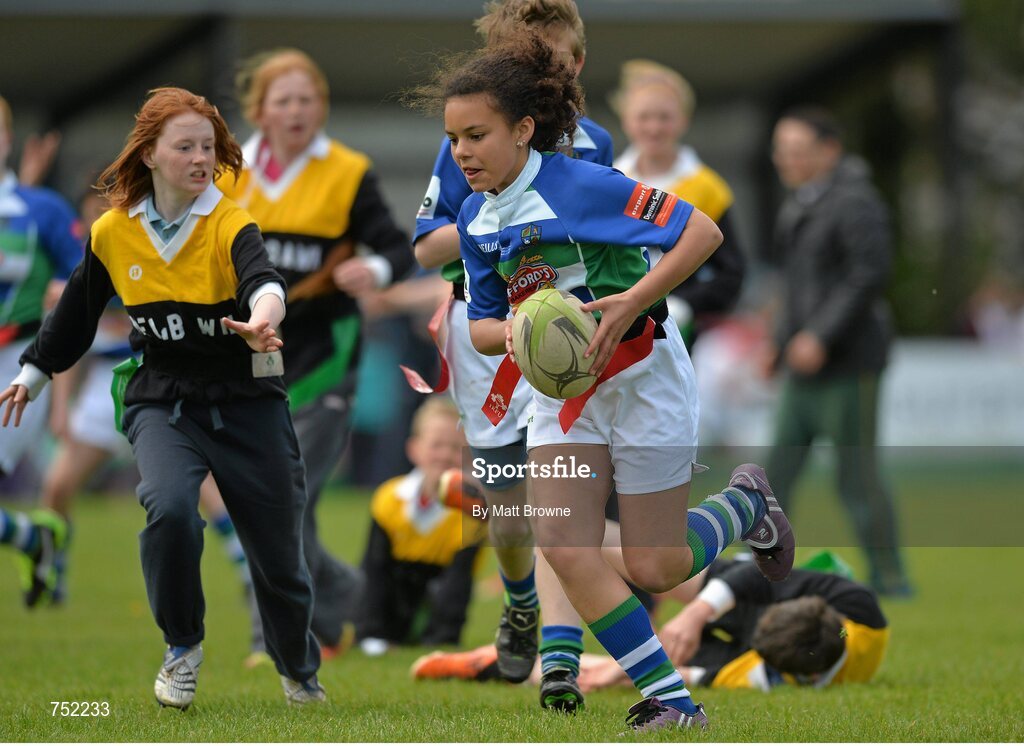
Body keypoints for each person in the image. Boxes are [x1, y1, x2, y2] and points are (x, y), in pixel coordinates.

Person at [411, 34, 796, 733]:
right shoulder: (473, 218)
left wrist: (628, 302)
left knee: (656, 565)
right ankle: (674, 703)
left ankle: (745, 507)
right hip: (560, 397)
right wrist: (529, 326)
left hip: (644, 376)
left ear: (524, 129)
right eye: (452, 138)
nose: (461, 151)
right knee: (561, 543)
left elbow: (701, 233)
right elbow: (481, 328)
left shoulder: (582, 184)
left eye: (476, 135)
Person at [0, 87, 324, 707]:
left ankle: (299, 675)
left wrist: (263, 316)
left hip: (248, 399)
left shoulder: (230, 221)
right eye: (185, 146)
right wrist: (32, 374)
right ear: (149, 154)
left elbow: (266, 282)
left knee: (281, 559)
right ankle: (183, 647)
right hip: (164, 398)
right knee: (171, 509)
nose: (201, 158)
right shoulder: (112, 233)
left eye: (207, 146)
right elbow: (75, 313)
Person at [410, 0, 614, 713]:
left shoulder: (594, 145)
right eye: (520, 58)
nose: (538, 70)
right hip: (492, 337)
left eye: (549, 58)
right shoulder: (470, 139)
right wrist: (485, 225)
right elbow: (425, 242)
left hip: (564, 339)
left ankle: (560, 659)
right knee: (508, 512)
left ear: (575, 65)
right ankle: (520, 601)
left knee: (557, 494)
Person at [216, 49, 414, 655]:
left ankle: (275, 640)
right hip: (246, 359)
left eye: (307, 99)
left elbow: (396, 247)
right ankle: (359, 605)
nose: (297, 110)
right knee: (270, 501)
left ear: (321, 106)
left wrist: (372, 267)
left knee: (280, 495)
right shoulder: (227, 172)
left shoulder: (347, 171)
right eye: (284, 100)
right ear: (260, 110)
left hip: (324, 357)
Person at [36, 188, 267, 668]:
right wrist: (61, 405)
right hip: (105, 386)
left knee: (198, 486)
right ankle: (50, 576)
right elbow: (69, 342)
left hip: (162, 381)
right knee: (57, 485)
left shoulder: (163, 248)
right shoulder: (96, 255)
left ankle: (246, 571)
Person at [762, 106, 911, 597]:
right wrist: (778, 343)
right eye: (782, 150)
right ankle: (757, 572)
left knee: (856, 480)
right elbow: (795, 286)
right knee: (774, 472)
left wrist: (820, 335)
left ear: (830, 151)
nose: (786, 159)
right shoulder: (800, 204)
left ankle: (890, 579)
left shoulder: (855, 202)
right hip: (802, 368)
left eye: (798, 151)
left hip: (849, 365)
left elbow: (867, 275)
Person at [576, 556, 889, 693]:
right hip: (754, 600)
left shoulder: (775, 677)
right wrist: (696, 613)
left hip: (765, 653)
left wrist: (633, 667)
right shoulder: (860, 606)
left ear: (811, 676)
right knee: (665, 572)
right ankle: (588, 542)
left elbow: (701, 676)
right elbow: (760, 574)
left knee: (624, 671)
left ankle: (545, 665)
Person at [611, 59, 745, 349]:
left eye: (664, 117)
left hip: (686, 337)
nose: (654, 127)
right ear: (626, 120)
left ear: (683, 120)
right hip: (618, 331)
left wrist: (684, 305)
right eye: (644, 117)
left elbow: (731, 274)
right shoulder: (613, 180)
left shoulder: (708, 187)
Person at [357, 396, 488, 652]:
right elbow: (373, 573)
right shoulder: (388, 499)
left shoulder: (473, 514)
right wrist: (369, 634)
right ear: (414, 449)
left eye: (455, 447)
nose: (445, 455)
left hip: (436, 608)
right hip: (390, 611)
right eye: (436, 445)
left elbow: (458, 585)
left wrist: (444, 640)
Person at [0, 94, 82, 484]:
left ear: (7, 139)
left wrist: (64, 285)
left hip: (18, 358)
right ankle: (32, 539)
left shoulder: (43, 209)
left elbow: (89, 274)